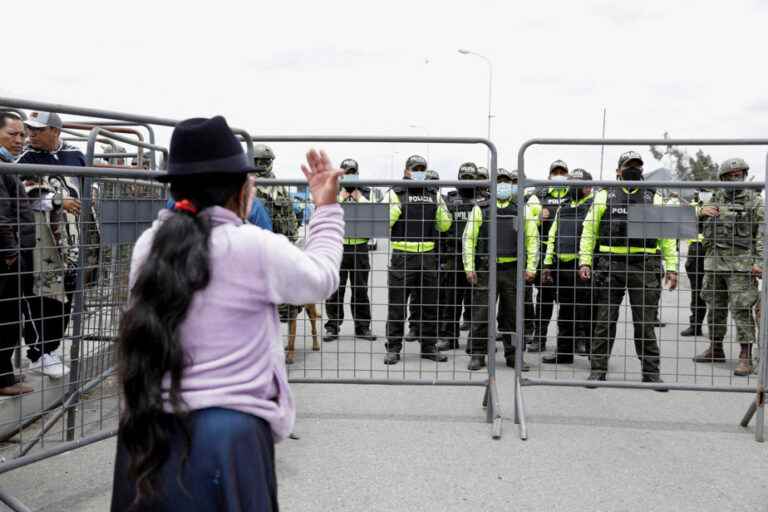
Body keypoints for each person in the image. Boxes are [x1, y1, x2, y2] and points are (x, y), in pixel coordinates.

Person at [111, 115, 344, 511]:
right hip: (229, 436)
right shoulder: (253, 246)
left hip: (147, 429)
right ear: (241, 190)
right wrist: (326, 209)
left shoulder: (148, 244)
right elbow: (321, 278)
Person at [579, 151, 678, 387]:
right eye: (628, 165)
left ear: (642, 170)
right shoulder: (604, 196)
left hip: (644, 266)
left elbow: (667, 238)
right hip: (609, 265)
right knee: (604, 321)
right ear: (618, 170)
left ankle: (651, 374)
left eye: (637, 166)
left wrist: (672, 267)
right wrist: (585, 261)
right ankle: (598, 370)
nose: (633, 169)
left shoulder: (653, 197)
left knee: (645, 324)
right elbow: (589, 231)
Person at [16, 111, 82, 378]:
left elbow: (86, 188)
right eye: (28, 130)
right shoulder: (27, 159)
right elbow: (22, 196)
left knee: (67, 292)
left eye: (37, 130)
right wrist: (56, 201)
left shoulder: (76, 154)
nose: (31, 135)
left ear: (55, 131)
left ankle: (50, 349)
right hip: (43, 240)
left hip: (74, 237)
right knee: (40, 293)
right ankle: (37, 352)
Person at [463, 168, 538, 371]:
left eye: (506, 182)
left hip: (513, 269)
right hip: (487, 268)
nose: (503, 186)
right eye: (499, 182)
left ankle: (514, 356)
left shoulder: (521, 209)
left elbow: (532, 239)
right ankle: (478, 354)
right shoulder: (481, 209)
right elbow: (468, 239)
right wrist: (469, 267)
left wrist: (531, 267)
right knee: (481, 313)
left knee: (512, 316)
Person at [694, 158, 763, 376]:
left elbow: (763, 234)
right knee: (714, 308)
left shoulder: (755, 202)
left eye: (740, 174)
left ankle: (745, 356)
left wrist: (759, 263)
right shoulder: (716, 198)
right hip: (714, 264)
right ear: (723, 178)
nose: (737, 178)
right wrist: (700, 212)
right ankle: (715, 348)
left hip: (740, 267)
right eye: (732, 175)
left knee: (742, 310)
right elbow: (697, 225)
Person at [384, 155, 452, 365]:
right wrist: (399, 208)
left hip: (428, 256)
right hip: (402, 256)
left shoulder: (434, 194)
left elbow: (445, 226)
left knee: (429, 304)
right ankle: (393, 348)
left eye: (422, 169)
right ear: (407, 171)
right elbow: (384, 222)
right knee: (397, 306)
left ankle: (429, 347)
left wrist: (438, 208)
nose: (419, 172)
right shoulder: (395, 193)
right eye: (416, 169)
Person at [541, 168, 595, 363]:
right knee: (564, 313)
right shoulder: (563, 207)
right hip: (561, 267)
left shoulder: (593, 206)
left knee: (587, 312)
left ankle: (593, 355)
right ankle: (564, 354)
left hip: (582, 267)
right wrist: (547, 264)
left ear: (588, 187)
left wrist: (587, 263)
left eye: (577, 184)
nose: (572, 187)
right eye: (570, 183)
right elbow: (552, 236)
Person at [0, 112, 36, 396]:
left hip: (12, 253)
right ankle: (2, 380)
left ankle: (4, 378)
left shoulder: (6, 166)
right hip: (7, 256)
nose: (20, 140)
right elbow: (1, 214)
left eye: (22, 135)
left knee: (10, 317)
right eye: (13, 134)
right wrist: (10, 253)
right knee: (7, 318)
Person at [250, 143, 303, 326]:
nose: (264, 165)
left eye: (267, 161)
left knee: (285, 295)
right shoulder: (248, 185)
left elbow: (289, 211)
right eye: (260, 161)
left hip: (282, 243)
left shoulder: (278, 185)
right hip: (259, 247)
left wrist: (294, 236)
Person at [323, 158, 376, 342]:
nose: (349, 175)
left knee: (360, 290)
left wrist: (359, 198)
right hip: (338, 246)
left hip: (360, 247)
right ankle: (332, 326)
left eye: (353, 172)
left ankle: (363, 327)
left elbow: (373, 216)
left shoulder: (366, 192)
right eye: (346, 172)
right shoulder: (333, 191)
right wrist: (341, 198)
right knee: (335, 289)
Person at [526, 160, 570, 352]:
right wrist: (539, 218)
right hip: (546, 256)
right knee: (544, 299)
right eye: (556, 172)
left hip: (569, 256)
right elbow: (528, 224)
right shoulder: (539, 195)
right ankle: (539, 338)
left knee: (569, 301)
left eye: (562, 172)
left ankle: (571, 341)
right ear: (550, 175)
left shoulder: (573, 193)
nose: (559, 174)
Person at [435, 162, 480, 351]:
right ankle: (449, 337)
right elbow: (441, 229)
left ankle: (477, 341)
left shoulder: (485, 200)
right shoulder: (450, 200)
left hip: (477, 257)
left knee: (479, 302)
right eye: (464, 177)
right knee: (450, 300)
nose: (467, 182)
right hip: (453, 255)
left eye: (471, 178)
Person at [681, 189, 708, 337]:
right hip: (697, 249)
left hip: (716, 250)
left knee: (718, 292)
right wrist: (701, 212)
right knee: (697, 291)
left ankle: (717, 330)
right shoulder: (692, 205)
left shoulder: (720, 203)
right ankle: (695, 325)